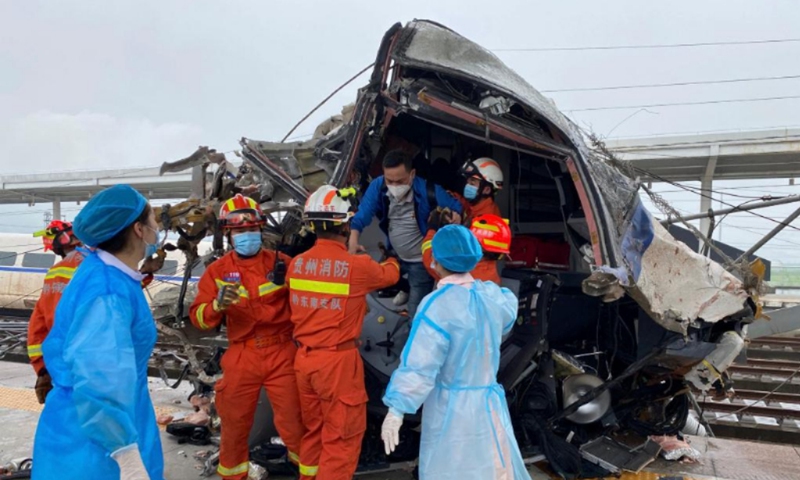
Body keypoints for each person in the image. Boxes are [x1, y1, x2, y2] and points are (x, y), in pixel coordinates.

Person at [32, 184, 164, 480]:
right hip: (98, 445)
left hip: (99, 424)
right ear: (139, 230)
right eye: (153, 220)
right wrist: (127, 456)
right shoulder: (108, 292)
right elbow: (99, 379)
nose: (158, 227)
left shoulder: (106, 274)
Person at [380, 225, 530, 480]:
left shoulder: (436, 305)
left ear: (435, 261)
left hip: (451, 411)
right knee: (492, 469)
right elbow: (507, 314)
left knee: (452, 470)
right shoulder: (493, 296)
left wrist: (397, 410)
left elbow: (420, 366)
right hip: (488, 405)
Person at [189, 194, 304, 479]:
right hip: (242, 354)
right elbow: (198, 318)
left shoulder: (283, 263)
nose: (247, 235)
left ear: (260, 230)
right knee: (235, 427)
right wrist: (217, 306)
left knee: (296, 424)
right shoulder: (217, 272)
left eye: (252, 230)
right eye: (240, 231)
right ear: (229, 234)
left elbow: (307, 299)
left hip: (283, 352)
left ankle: (308, 473)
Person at [289, 185, 400, 479]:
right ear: (346, 223)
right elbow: (391, 275)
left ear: (313, 224)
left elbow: (326, 280)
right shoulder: (358, 266)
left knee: (314, 433)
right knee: (342, 439)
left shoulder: (296, 265)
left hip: (304, 362)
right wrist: (390, 256)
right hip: (337, 366)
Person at [348, 149, 462, 318]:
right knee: (375, 283)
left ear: (412, 174)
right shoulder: (378, 187)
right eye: (390, 181)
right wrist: (353, 239)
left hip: (420, 261)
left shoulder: (429, 191)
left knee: (416, 312)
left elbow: (457, 207)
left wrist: (456, 216)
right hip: (394, 256)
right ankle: (405, 287)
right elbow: (362, 214)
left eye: (400, 181)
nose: (394, 186)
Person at [27, 220, 84, 404]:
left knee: (66, 417)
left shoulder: (53, 272)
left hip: (60, 363)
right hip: (90, 360)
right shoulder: (95, 264)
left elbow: (37, 325)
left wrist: (42, 370)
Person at [422, 213, 511, 285]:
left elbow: (430, 259)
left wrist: (432, 230)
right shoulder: (490, 272)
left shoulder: (463, 268)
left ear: (477, 245)